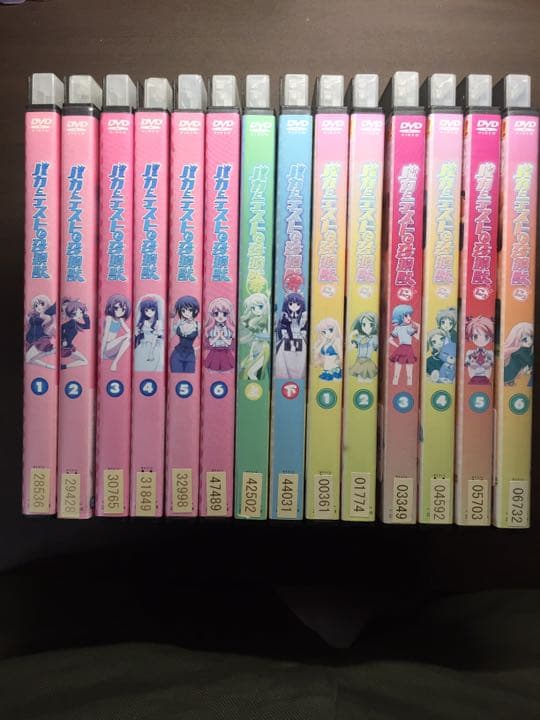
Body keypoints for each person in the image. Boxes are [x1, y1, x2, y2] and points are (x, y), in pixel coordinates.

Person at [170, 296, 199, 374]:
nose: (186, 313)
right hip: (177, 354)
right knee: (176, 376)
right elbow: (171, 336)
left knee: (190, 376)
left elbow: (204, 341)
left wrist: (197, 349)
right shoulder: (179, 323)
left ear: (195, 310)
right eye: (183, 310)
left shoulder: (197, 325)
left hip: (190, 355)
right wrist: (172, 320)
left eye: (190, 310)